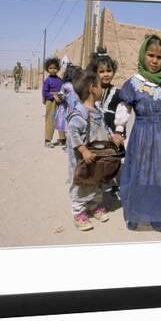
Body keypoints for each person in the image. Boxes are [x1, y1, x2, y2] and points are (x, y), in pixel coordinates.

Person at [114, 34, 161, 232]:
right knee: (142, 176)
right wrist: (119, 129)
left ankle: (159, 215)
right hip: (141, 137)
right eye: (150, 55)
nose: (154, 60)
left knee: (160, 177)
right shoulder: (133, 83)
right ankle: (139, 213)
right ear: (143, 55)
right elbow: (124, 107)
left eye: (159, 57)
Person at [65, 71, 123, 231]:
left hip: (97, 157)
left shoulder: (97, 110)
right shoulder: (79, 114)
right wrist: (83, 150)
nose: (102, 89)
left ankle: (93, 206)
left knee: (97, 182)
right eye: (99, 86)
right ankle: (78, 213)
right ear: (92, 89)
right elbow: (73, 132)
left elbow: (104, 126)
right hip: (83, 159)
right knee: (81, 184)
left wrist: (113, 136)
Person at [87, 47, 125, 202]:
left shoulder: (118, 92)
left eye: (109, 70)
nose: (106, 74)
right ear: (95, 72)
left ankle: (120, 186)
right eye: (101, 72)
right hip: (95, 133)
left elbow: (122, 112)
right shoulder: (90, 90)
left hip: (113, 133)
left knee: (118, 160)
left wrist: (118, 132)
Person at [54, 64, 83, 151]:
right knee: (69, 127)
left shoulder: (78, 84)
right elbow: (62, 94)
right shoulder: (67, 85)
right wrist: (61, 97)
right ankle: (69, 145)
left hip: (77, 107)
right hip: (69, 108)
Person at [42, 57, 65, 148]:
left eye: (55, 68)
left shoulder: (60, 80)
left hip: (60, 102)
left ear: (58, 69)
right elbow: (45, 93)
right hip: (51, 102)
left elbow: (63, 90)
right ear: (47, 69)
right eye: (50, 68)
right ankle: (47, 140)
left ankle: (63, 139)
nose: (53, 70)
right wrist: (53, 96)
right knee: (50, 120)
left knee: (61, 120)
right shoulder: (47, 81)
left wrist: (62, 96)